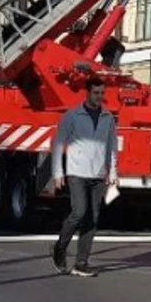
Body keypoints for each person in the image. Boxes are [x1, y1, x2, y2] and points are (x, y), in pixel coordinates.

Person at [46, 78, 119, 277]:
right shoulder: (72, 116)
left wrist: (112, 173)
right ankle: (60, 247)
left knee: (92, 218)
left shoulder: (108, 118)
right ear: (87, 93)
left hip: (98, 174)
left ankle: (81, 262)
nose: (100, 97)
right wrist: (58, 173)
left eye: (102, 93)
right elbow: (59, 143)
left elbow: (112, 147)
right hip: (77, 172)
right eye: (96, 93)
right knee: (79, 212)